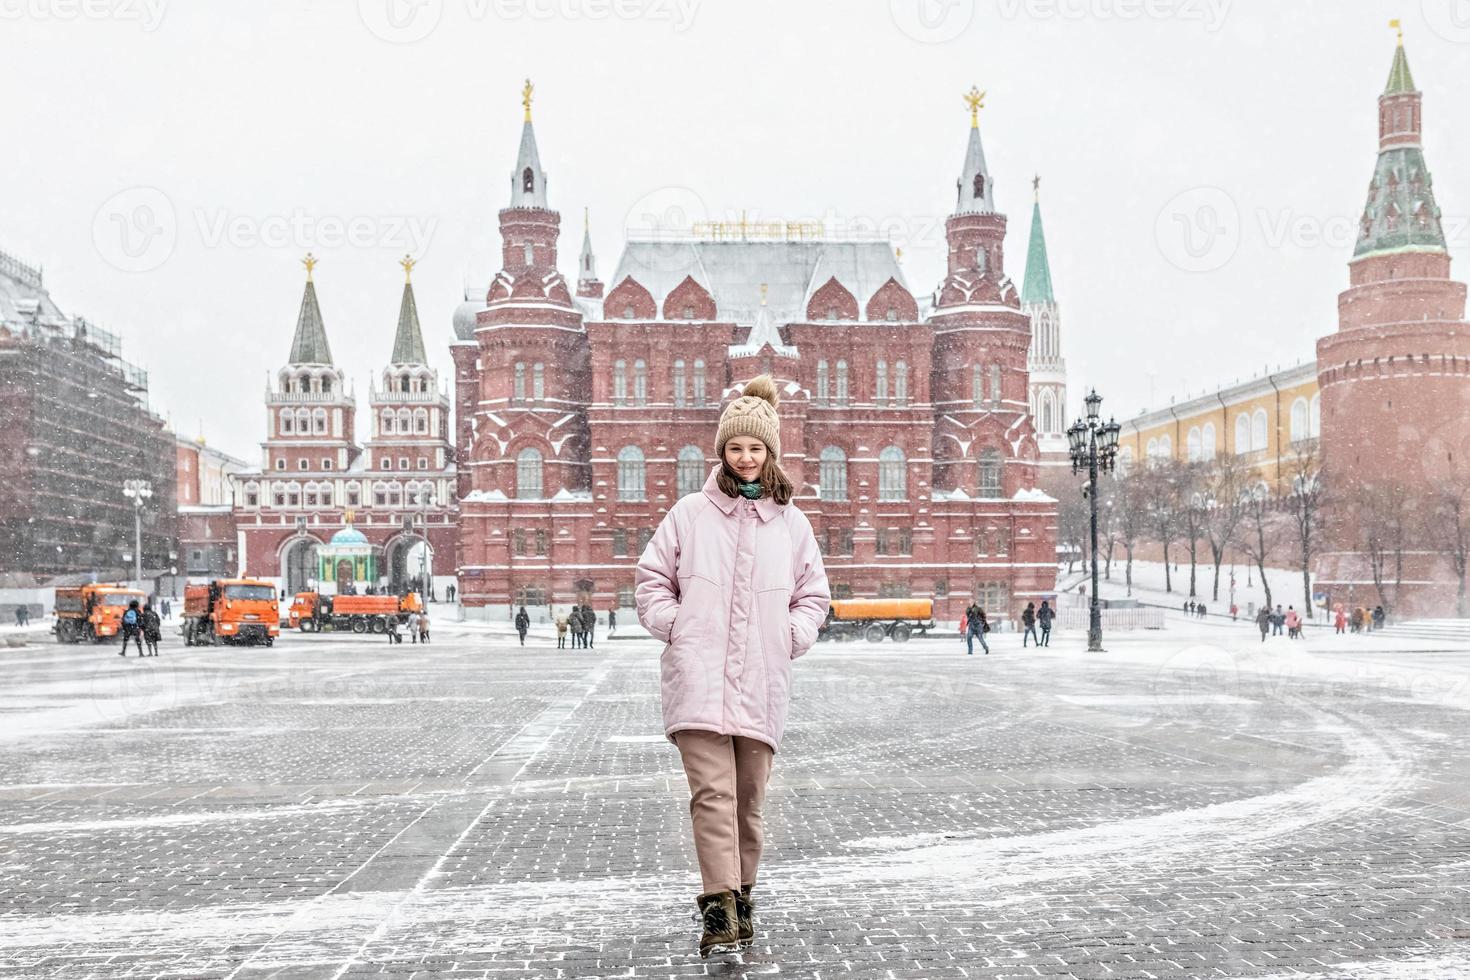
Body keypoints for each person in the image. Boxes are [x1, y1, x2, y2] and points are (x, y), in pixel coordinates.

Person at [634, 375, 829, 958]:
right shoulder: (691, 513)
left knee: (749, 800)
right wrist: (680, 628)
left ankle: (743, 897)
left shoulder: (791, 523)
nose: (745, 458)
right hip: (697, 677)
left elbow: (813, 595)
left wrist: (789, 636)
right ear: (721, 451)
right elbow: (650, 580)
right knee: (712, 795)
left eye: (756, 447)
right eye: (736, 447)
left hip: (761, 679)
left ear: (770, 452)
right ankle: (718, 909)